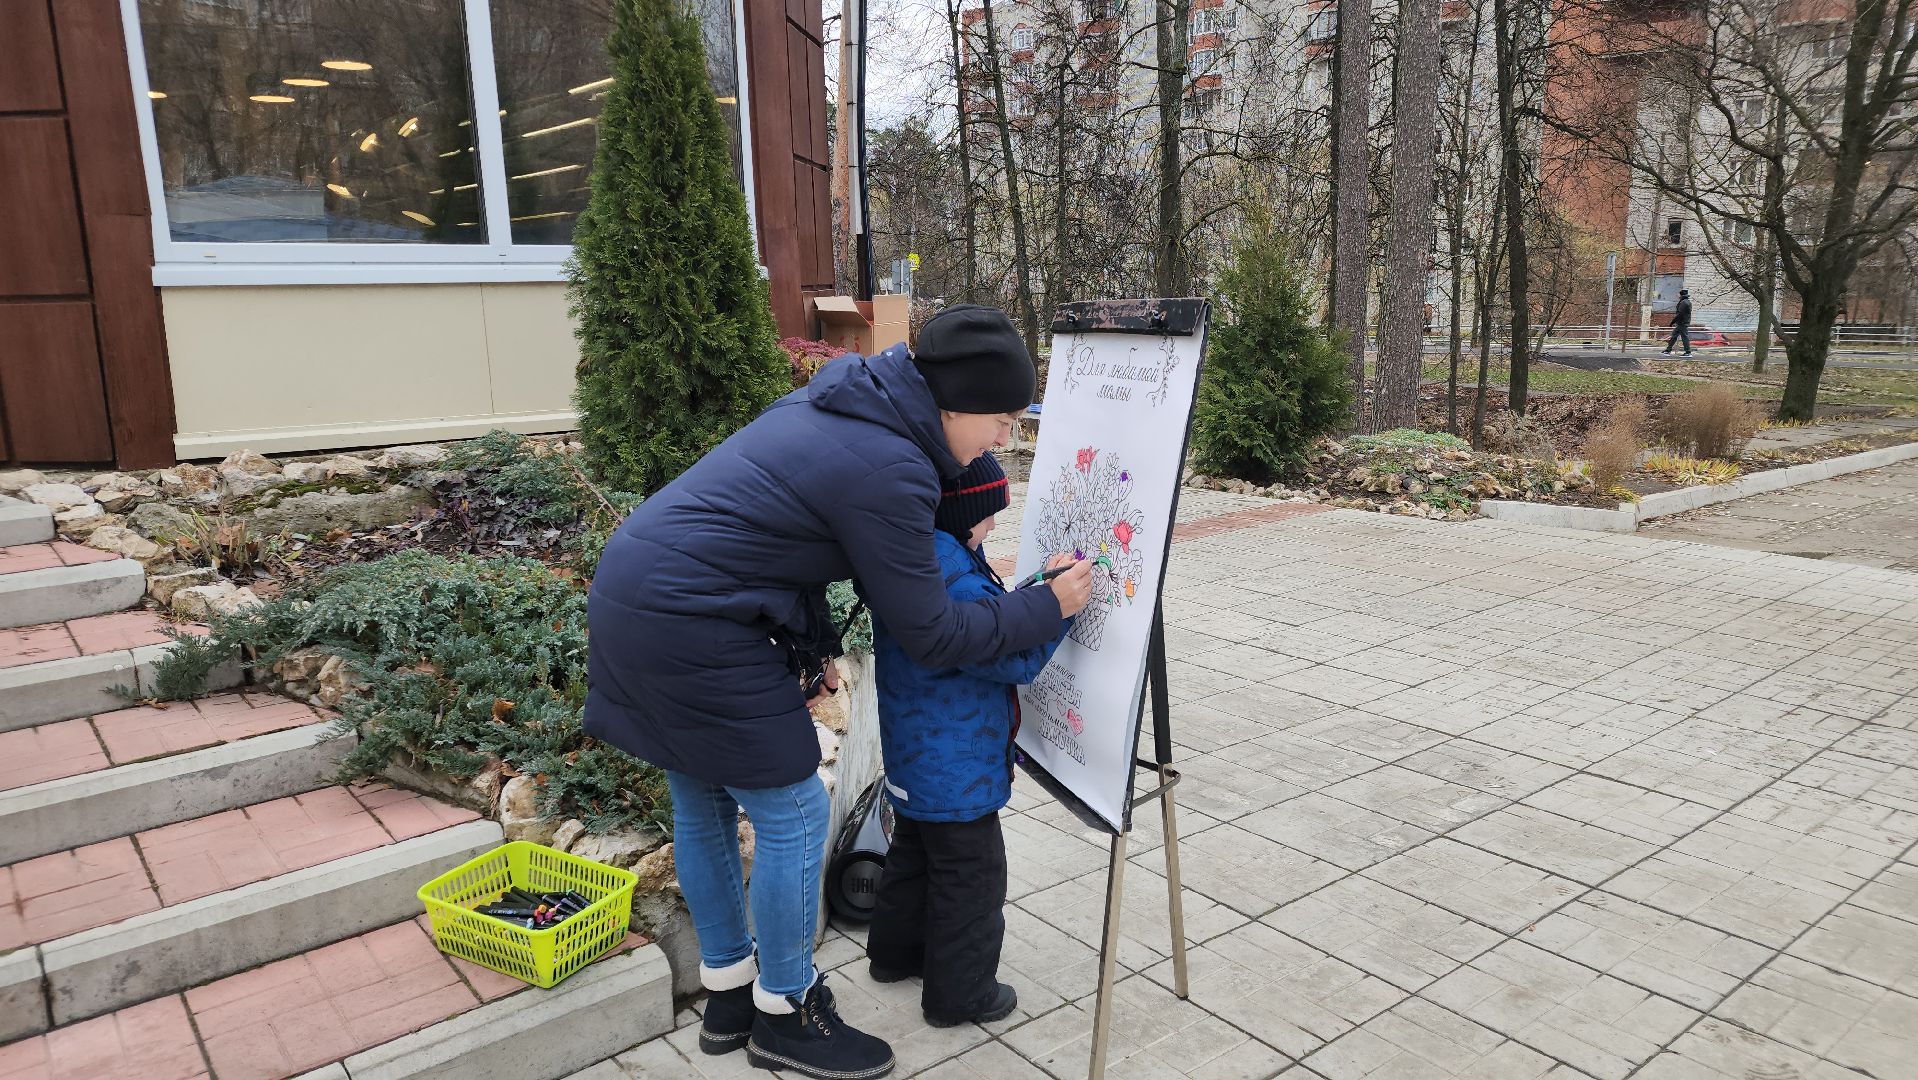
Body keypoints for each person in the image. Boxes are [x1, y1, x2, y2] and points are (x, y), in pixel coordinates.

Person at [584, 305, 1094, 1080]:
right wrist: (1045, 606)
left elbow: (787, 541)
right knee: (793, 809)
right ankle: (786, 1014)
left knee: (705, 802)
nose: (1001, 440)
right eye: (999, 421)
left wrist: (813, 648)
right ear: (953, 403)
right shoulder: (893, 463)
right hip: (693, 620)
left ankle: (729, 997)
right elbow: (935, 634)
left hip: (635, 591)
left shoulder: (848, 402)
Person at [864, 452, 1073, 1027]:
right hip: (958, 762)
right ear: (962, 515)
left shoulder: (925, 556)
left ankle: (893, 955)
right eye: (989, 515)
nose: (995, 526)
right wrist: (1062, 610)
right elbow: (1009, 652)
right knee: (971, 876)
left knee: (913, 851)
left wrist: (1038, 589)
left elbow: (993, 614)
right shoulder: (954, 573)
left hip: (917, 754)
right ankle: (962, 994)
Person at [1662, 289, 1693, 355]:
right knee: (1674, 336)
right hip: (1682, 322)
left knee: (1684, 337)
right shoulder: (1687, 302)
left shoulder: (1683, 303)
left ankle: (1688, 352)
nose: (1677, 295)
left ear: (1681, 295)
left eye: (1678, 294)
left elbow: (1680, 314)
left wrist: (1672, 322)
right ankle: (1668, 350)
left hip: (1682, 323)